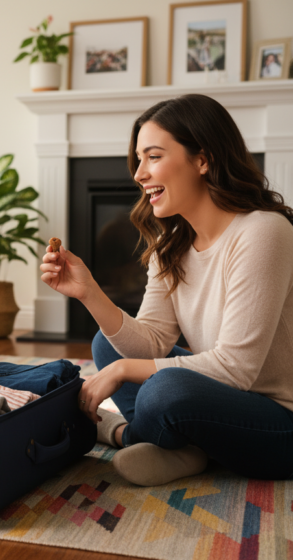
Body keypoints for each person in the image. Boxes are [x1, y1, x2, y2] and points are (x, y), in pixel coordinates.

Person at [40, 94, 293, 486]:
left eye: (153, 157)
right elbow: (153, 342)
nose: (139, 174)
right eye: (138, 160)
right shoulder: (172, 245)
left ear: (203, 160)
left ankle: (125, 434)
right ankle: (186, 448)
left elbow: (236, 369)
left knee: (163, 389)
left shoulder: (263, 231)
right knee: (107, 345)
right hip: (221, 400)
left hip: (280, 421)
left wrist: (124, 371)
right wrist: (88, 291)